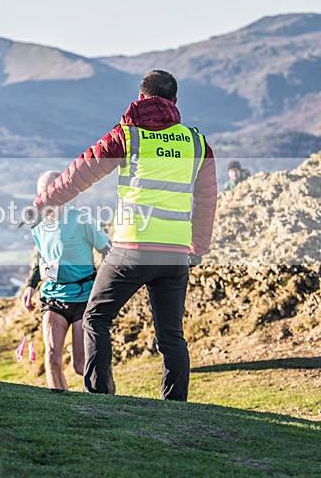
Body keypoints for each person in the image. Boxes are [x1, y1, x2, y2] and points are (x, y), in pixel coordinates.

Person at [27, 70, 217, 401]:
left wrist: (42, 203)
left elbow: (79, 173)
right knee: (171, 334)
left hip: (132, 249)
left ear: (141, 98)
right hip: (175, 253)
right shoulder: (197, 143)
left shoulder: (128, 136)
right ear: (174, 101)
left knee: (95, 318)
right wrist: (197, 248)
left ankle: (99, 394)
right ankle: (176, 405)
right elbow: (207, 200)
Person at [21, 171, 111, 392]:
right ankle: (61, 407)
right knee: (52, 358)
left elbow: (108, 251)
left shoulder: (81, 220)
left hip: (83, 297)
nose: (45, 198)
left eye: (50, 192)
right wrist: (31, 285)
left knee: (81, 365)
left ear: (63, 191)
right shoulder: (37, 224)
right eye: (41, 193)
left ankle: (107, 394)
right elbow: (41, 257)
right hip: (53, 297)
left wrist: (104, 288)